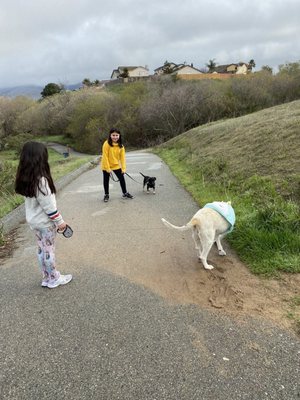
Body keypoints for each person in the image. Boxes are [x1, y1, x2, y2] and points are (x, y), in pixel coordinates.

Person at [15, 141, 72, 289]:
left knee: (41, 249)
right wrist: (61, 222)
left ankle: (46, 277)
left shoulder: (26, 179)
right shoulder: (42, 181)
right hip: (46, 224)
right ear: (40, 158)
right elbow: (50, 208)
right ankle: (54, 278)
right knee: (49, 250)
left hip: (34, 223)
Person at [101, 128, 134, 202]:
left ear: (119, 136)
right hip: (106, 165)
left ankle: (125, 193)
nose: (115, 137)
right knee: (106, 180)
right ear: (110, 135)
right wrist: (107, 168)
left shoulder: (121, 146)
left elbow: (122, 158)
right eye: (113, 135)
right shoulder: (106, 144)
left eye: (116, 135)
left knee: (122, 178)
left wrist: (123, 168)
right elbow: (105, 156)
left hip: (115, 165)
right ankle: (106, 194)